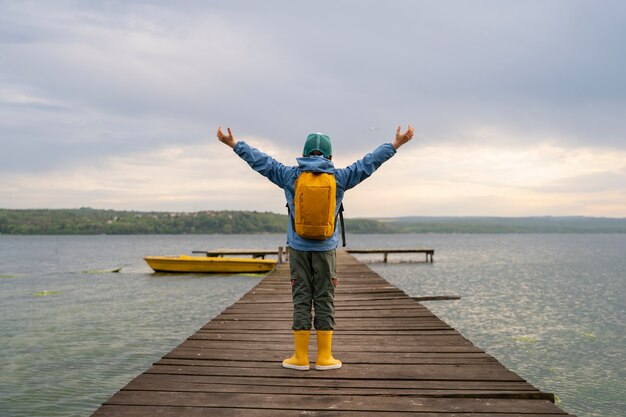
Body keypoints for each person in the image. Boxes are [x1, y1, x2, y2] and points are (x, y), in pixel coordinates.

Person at [216, 124, 414, 371]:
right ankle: (324, 357)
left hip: (298, 248)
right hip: (325, 250)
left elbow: (262, 162)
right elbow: (368, 163)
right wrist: (395, 144)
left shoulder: (290, 176)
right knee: (324, 298)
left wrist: (235, 144)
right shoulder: (340, 177)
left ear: (305, 153)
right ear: (330, 157)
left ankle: (299, 357)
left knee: (301, 297)